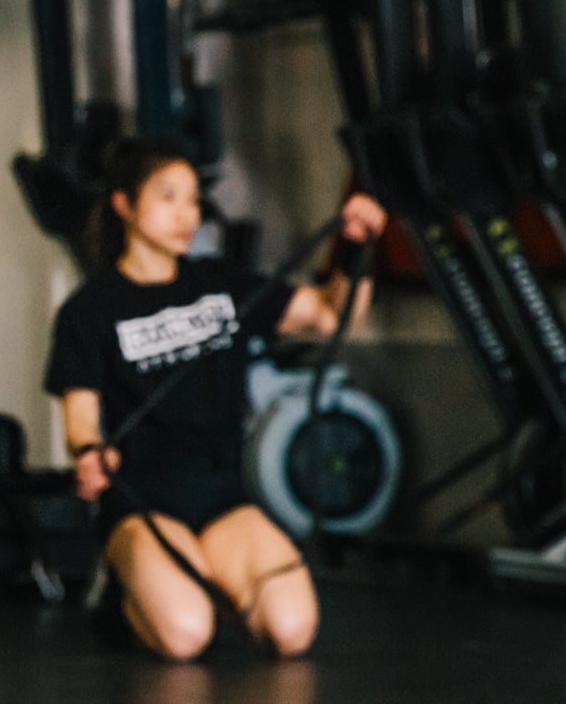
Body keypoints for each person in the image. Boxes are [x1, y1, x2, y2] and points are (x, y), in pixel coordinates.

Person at [44, 139, 389, 663]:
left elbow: (328, 314)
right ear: (124, 205)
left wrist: (359, 249)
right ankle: (121, 589)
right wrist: (88, 451)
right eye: (168, 198)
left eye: (193, 200)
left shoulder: (219, 284)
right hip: (143, 502)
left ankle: (207, 580)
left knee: (292, 630)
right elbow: (81, 416)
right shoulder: (89, 310)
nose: (188, 215)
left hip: (221, 495)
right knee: (187, 635)